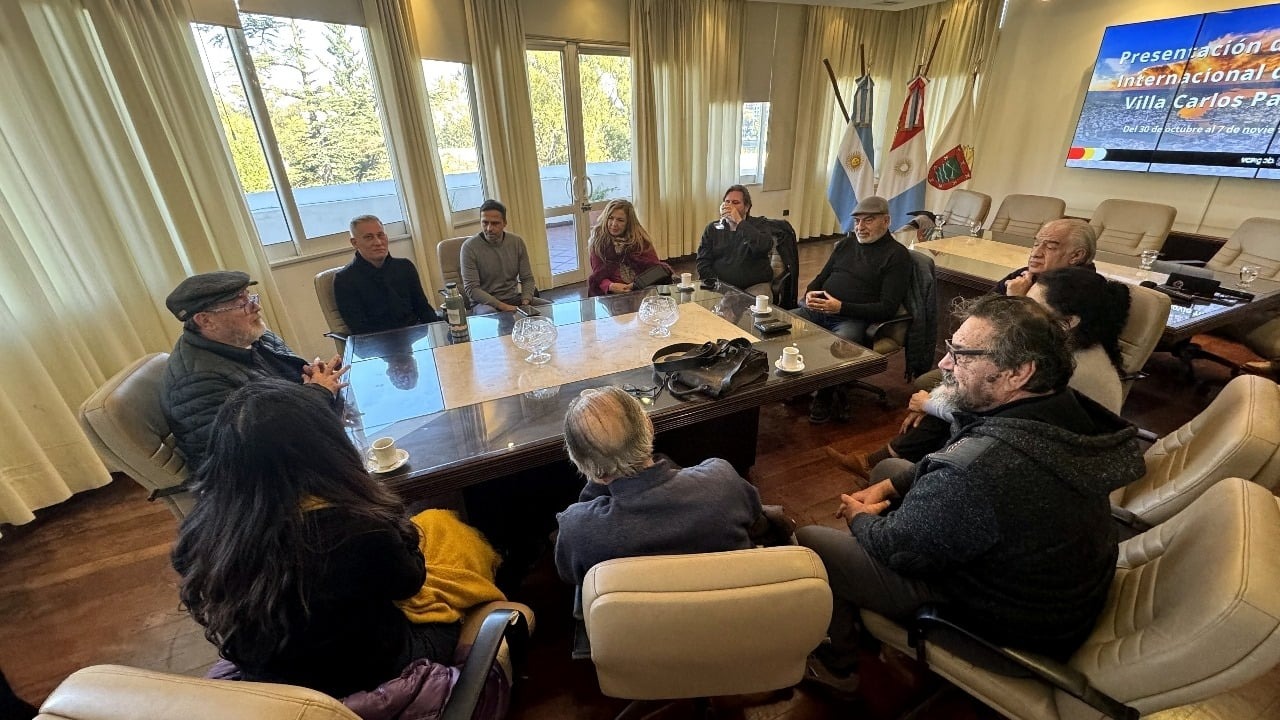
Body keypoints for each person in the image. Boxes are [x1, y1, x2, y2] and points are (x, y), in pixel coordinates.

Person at [797, 295, 1144, 690]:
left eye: (961, 355)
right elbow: (961, 460)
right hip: (1048, 589)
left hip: (1000, 626)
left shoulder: (982, 470)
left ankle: (839, 667)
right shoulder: (1061, 407)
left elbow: (898, 547)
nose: (945, 364)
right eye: (950, 349)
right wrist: (893, 485)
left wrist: (860, 519)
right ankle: (863, 614)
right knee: (891, 469)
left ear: (1018, 372)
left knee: (813, 543)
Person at [172, 380, 459, 699]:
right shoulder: (360, 530)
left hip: (275, 678)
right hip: (370, 672)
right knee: (447, 531)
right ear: (326, 450)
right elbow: (410, 582)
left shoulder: (200, 529)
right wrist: (397, 531)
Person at [830, 266, 1132, 478]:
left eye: (1034, 306)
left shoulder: (1070, 369)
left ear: (1068, 322)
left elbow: (990, 417)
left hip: (1043, 462)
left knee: (950, 404)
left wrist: (930, 404)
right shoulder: (1063, 349)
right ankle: (882, 463)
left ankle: (882, 464)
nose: (1025, 310)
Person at [554, 386, 766, 588]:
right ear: (649, 426)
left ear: (583, 468)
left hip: (640, 625)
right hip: (734, 616)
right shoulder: (723, 482)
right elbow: (755, 513)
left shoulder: (577, 531)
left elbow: (569, 575)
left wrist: (598, 476)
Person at [161, 271, 347, 469]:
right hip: (266, 478)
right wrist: (317, 393)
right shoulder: (197, 382)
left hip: (304, 439)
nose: (256, 307)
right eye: (241, 304)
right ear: (206, 320)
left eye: (250, 297)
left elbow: (281, 391)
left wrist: (314, 375)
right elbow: (252, 446)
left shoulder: (250, 335)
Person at [794, 195, 912, 424]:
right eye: (857, 221)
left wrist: (841, 307)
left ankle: (825, 396)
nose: (860, 227)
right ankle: (796, 383)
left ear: (886, 221)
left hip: (852, 319)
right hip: (818, 310)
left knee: (836, 346)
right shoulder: (846, 244)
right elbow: (820, 278)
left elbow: (887, 309)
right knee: (781, 328)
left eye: (868, 220)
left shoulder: (897, 256)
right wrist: (810, 292)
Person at [333, 214, 439, 334]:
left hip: (415, 338)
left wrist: (439, 337)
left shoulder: (405, 267)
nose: (378, 242)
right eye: (369, 237)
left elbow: (424, 310)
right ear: (354, 243)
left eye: (380, 235)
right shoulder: (345, 280)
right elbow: (360, 329)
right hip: (378, 345)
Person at [460, 199, 552, 315]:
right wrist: (504, 307)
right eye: (485, 223)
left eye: (495, 223)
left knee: (549, 309)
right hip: (484, 304)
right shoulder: (469, 247)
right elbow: (472, 289)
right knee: (493, 315)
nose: (489, 228)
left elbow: (527, 278)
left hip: (514, 299)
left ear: (504, 223)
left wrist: (525, 302)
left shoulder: (517, 242)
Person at [695, 185, 775, 298]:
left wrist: (739, 221)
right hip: (720, 286)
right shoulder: (712, 228)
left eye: (735, 202)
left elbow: (763, 246)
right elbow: (702, 262)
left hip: (753, 286)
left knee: (754, 308)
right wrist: (718, 286)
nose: (730, 206)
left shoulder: (760, 225)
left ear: (747, 207)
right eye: (727, 202)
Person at [586, 198, 673, 296]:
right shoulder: (598, 241)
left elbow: (656, 270)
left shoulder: (640, 240)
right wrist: (610, 286)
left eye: (620, 220)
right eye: (610, 218)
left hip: (641, 289)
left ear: (628, 223)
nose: (614, 224)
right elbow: (598, 275)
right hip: (610, 294)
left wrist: (636, 285)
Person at [995, 218, 1097, 296]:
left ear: (1076, 256)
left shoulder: (1083, 290)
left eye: (1050, 247)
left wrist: (1017, 300)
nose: (1035, 253)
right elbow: (980, 310)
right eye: (1036, 244)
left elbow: (1036, 324)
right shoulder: (1025, 275)